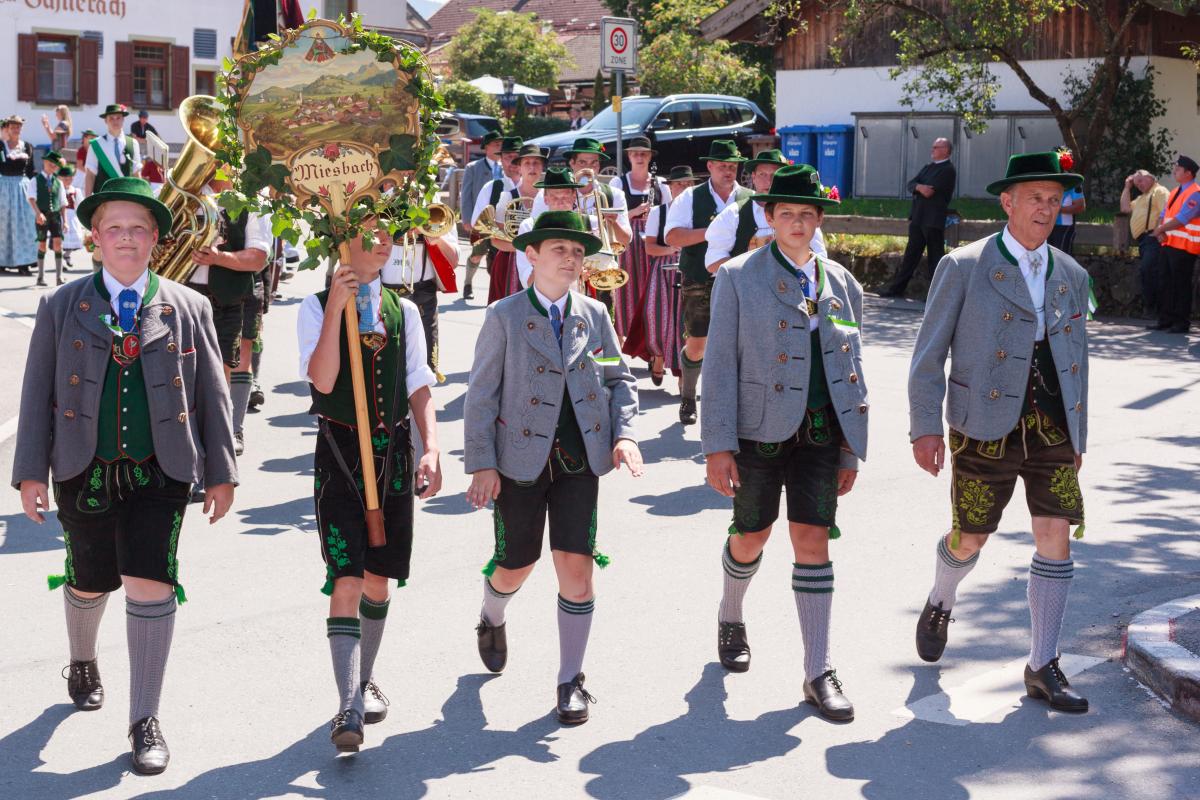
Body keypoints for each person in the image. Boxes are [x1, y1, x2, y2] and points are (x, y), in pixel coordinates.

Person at [12, 176, 237, 774]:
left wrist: (222, 472)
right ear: (95, 238)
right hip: (82, 467)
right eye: (115, 228)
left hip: (161, 469)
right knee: (90, 581)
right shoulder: (62, 305)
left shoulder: (190, 305)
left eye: (139, 229)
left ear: (156, 238)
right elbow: (36, 393)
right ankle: (82, 658)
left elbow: (213, 395)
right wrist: (30, 471)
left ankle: (144, 718)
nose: (127, 239)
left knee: (151, 583)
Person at [908, 151, 1092, 713]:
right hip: (983, 423)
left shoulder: (1073, 273)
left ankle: (1042, 663)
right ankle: (942, 596)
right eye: (1035, 197)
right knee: (971, 536)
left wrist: (1079, 436)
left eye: (1054, 199)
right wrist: (924, 427)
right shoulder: (963, 265)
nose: (1045, 208)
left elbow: (1077, 358)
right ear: (1006, 202)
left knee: (1054, 531)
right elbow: (928, 355)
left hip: (1053, 422)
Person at [702, 164, 867, 721]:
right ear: (769, 218)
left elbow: (852, 371)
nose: (797, 223)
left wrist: (849, 448)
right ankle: (730, 611)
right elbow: (719, 366)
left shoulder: (842, 283)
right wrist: (717, 446)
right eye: (786, 214)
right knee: (752, 535)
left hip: (821, 430)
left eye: (807, 215)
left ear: (819, 221)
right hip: (756, 432)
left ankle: (818, 670)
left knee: (812, 539)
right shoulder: (738, 276)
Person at [465, 210, 641, 725]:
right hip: (517, 460)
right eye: (559, 249)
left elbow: (619, 380)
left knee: (576, 570)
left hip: (579, 460)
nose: (570, 258)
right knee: (517, 563)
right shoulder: (503, 315)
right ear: (533, 256)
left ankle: (570, 680)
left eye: (578, 251)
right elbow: (480, 396)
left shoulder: (595, 314)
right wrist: (482, 463)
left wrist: (625, 433)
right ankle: (491, 613)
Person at [298, 214, 442, 753]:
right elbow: (324, 380)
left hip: (392, 455)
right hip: (339, 452)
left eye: (387, 234)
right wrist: (337, 306)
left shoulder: (403, 309)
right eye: (369, 234)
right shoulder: (314, 305)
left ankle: (365, 676)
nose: (383, 243)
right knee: (347, 577)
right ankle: (347, 704)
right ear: (341, 242)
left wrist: (431, 445)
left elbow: (418, 383)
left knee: (379, 579)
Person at [664, 139, 751, 425]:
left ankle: (734, 405)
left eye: (733, 166)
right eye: (723, 166)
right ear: (710, 166)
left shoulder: (750, 198)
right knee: (698, 344)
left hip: (741, 281)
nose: (728, 171)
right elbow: (673, 237)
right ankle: (688, 394)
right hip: (700, 279)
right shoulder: (689, 197)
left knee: (740, 345)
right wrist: (716, 231)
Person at [187, 173, 272, 455]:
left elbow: (258, 258)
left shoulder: (250, 201)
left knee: (225, 371)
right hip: (183, 295)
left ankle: (227, 432)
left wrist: (218, 258)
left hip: (227, 299)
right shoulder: (187, 194)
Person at [622, 165, 697, 386]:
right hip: (663, 270)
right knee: (657, 317)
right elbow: (650, 248)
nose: (683, 187)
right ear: (671, 187)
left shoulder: (698, 212)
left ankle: (685, 376)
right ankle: (659, 356)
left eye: (687, 183)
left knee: (688, 320)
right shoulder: (659, 212)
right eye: (679, 184)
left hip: (691, 268)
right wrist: (672, 249)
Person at [705, 148, 824, 274]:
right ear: (754, 177)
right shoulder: (733, 214)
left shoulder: (802, 215)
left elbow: (820, 257)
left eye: (774, 175)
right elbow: (713, 261)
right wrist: (753, 272)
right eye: (762, 175)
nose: (768, 182)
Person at [381, 204, 461, 380]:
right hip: (386, 294)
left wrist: (436, 239)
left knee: (424, 366)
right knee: (388, 366)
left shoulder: (436, 206)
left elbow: (454, 260)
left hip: (423, 294)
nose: (409, 175)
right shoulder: (381, 203)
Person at [879, 137, 956, 298]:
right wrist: (919, 186)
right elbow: (911, 184)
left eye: (936, 147)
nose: (932, 149)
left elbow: (929, 192)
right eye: (933, 146)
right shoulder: (928, 168)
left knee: (935, 259)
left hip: (933, 219)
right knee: (910, 256)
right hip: (918, 217)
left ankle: (937, 296)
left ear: (946, 150)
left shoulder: (947, 170)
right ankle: (896, 290)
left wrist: (919, 187)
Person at [608, 136, 668, 339]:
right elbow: (612, 216)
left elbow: (670, 212)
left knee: (652, 291)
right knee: (628, 290)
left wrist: (655, 215)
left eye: (643, 153)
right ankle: (626, 337)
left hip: (653, 241)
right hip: (629, 243)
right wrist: (634, 212)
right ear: (629, 156)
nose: (639, 157)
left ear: (650, 156)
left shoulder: (660, 184)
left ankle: (651, 340)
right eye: (635, 153)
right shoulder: (619, 182)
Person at [512, 167, 591, 290]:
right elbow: (528, 282)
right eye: (554, 197)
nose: (560, 202)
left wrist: (590, 272)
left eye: (565, 196)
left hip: (579, 299)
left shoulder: (589, 223)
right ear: (545, 198)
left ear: (574, 197)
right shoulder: (529, 227)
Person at [1147, 155, 1200, 335]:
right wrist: (1160, 230)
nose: (1174, 171)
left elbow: (1183, 218)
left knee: (1181, 285)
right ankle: (1166, 319)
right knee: (1165, 283)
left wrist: (1160, 229)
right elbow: (1164, 213)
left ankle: (1181, 322)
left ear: (1188, 173)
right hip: (1168, 243)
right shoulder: (1176, 191)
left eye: (1178, 169)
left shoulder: (1195, 193)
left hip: (1184, 247)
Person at [488, 143, 548, 295]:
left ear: (542, 168)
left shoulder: (549, 197)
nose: (532, 167)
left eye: (536, 163)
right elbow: (495, 240)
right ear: (519, 168)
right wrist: (526, 249)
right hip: (509, 263)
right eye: (527, 163)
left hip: (544, 262)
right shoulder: (507, 197)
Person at [459, 130, 505, 300]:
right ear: (486, 147)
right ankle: (468, 283)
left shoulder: (506, 167)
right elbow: (466, 194)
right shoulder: (473, 168)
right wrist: (466, 218)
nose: (499, 148)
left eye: (501, 145)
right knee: (477, 254)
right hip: (480, 220)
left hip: (499, 220)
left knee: (497, 255)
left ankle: (497, 289)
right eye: (495, 144)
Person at [1120, 169, 1169, 319]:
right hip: (1144, 241)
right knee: (1148, 273)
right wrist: (1127, 187)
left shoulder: (1159, 191)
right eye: (1136, 184)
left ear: (1149, 177)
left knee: (1149, 271)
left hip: (1154, 238)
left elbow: (1165, 211)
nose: (1139, 185)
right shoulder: (1142, 198)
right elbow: (1125, 208)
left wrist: (1159, 231)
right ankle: (1153, 309)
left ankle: (1154, 309)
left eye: (1140, 181)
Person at [0, 115, 38, 276]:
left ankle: (24, 262)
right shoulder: (1, 147)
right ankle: (2, 261)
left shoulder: (27, 147)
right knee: (3, 225)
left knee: (24, 224)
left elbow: (31, 171)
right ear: (7, 128)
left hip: (22, 188)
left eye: (18, 126)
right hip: (3, 186)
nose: (16, 129)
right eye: (12, 126)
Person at [25, 150, 67, 286]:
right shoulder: (35, 180)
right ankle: (40, 277)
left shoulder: (58, 183)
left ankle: (59, 277)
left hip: (55, 216)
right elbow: (31, 198)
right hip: (41, 215)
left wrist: (65, 221)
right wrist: (38, 213)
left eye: (55, 165)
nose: (53, 167)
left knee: (58, 244)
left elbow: (62, 203)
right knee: (42, 245)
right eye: (50, 164)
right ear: (44, 162)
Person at [85, 104, 141, 197]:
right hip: (103, 199)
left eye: (118, 118)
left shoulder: (133, 143)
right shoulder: (96, 145)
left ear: (123, 119)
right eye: (111, 118)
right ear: (105, 121)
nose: (115, 121)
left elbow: (137, 174)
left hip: (127, 198)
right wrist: (87, 201)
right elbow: (90, 175)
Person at [1049, 152, 1085, 255]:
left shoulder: (1074, 183)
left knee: (1062, 258)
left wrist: (1058, 209)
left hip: (1064, 227)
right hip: (1046, 224)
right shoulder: (1048, 181)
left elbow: (1080, 207)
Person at [59, 163, 86, 266]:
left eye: (70, 178)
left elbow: (80, 204)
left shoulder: (75, 190)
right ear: (60, 178)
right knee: (62, 239)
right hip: (61, 216)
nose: (68, 180)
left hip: (72, 217)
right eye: (65, 178)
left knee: (76, 238)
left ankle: (67, 255)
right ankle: (60, 261)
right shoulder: (58, 189)